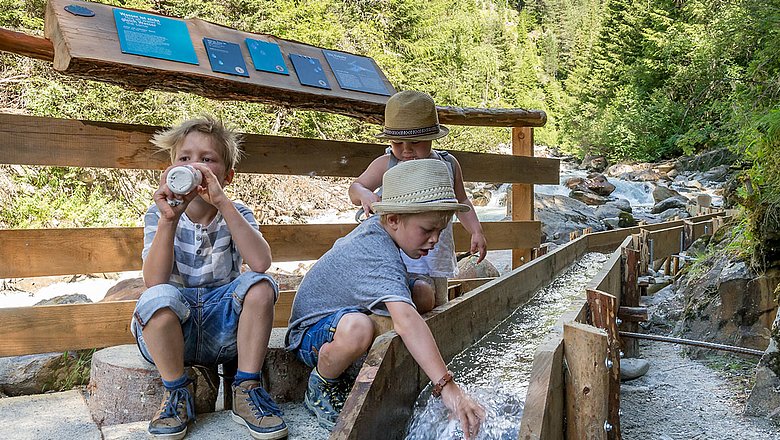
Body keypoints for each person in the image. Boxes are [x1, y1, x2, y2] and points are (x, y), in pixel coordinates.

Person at [287, 159, 486, 439]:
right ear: (393, 219)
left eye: (440, 232)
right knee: (359, 328)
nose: (434, 240)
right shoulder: (375, 251)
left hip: (343, 312)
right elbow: (406, 322)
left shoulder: (385, 235)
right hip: (310, 331)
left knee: (423, 294)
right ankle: (322, 384)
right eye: (427, 230)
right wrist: (447, 386)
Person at [132, 115, 287, 440]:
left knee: (260, 285)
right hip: (178, 330)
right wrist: (168, 221)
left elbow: (260, 262)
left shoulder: (237, 212)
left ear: (227, 176)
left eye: (207, 160)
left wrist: (223, 204)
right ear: (172, 169)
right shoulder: (158, 216)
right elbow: (154, 281)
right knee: (155, 299)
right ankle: (176, 391)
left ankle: (246, 388)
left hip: (224, 328)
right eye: (185, 158)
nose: (196, 167)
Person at [349, 90, 487, 311]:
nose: (406, 150)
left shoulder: (447, 164)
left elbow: (461, 200)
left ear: (432, 138)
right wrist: (365, 194)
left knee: (438, 307)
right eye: (397, 142)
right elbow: (356, 187)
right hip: (396, 258)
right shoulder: (387, 163)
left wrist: (476, 231)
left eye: (415, 142)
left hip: (435, 258)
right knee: (401, 306)